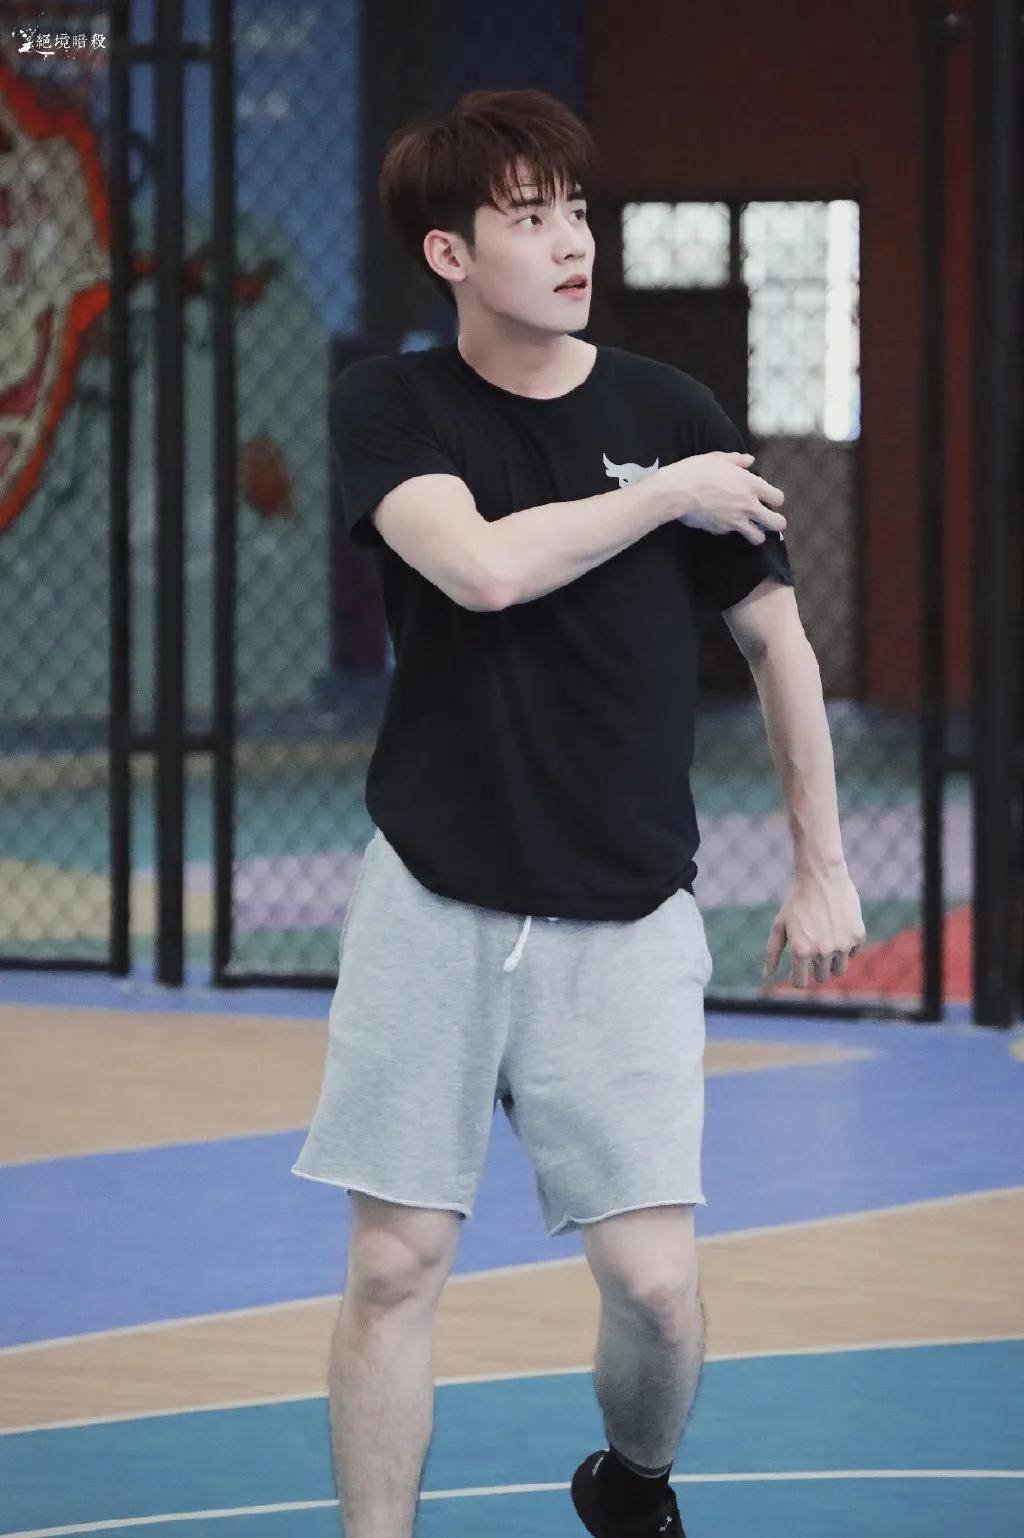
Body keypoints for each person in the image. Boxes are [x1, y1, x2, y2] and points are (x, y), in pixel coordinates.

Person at [292, 86, 865, 1538]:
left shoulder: (672, 412)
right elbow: (480, 568)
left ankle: (634, 1483)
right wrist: (663, 497)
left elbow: (779, 645)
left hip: (624, 905)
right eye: (531, 218)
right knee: (393, 1266)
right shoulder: (391, 406)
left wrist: (822, 862)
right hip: (434, 891)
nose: (572, 244)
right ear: (448, 254)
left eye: (579, 213)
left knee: (656, 1290)